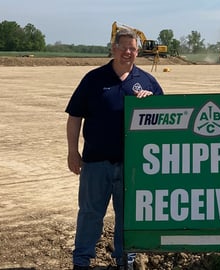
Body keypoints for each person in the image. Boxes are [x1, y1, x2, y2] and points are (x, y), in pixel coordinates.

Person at [66, 29, 164, 270]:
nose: (128, 53)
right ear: (113, 49)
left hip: (132, 165)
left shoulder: (147, 82)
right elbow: (75, 116)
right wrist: (72, 151)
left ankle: (125, 260)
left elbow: (165, 119)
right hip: (96, 162)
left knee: (127, 216)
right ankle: (82, 261)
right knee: (90, 213)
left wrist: (151, 104)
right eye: (123, 48)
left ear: (138, 52)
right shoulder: (94, 79)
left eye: (132, 49)